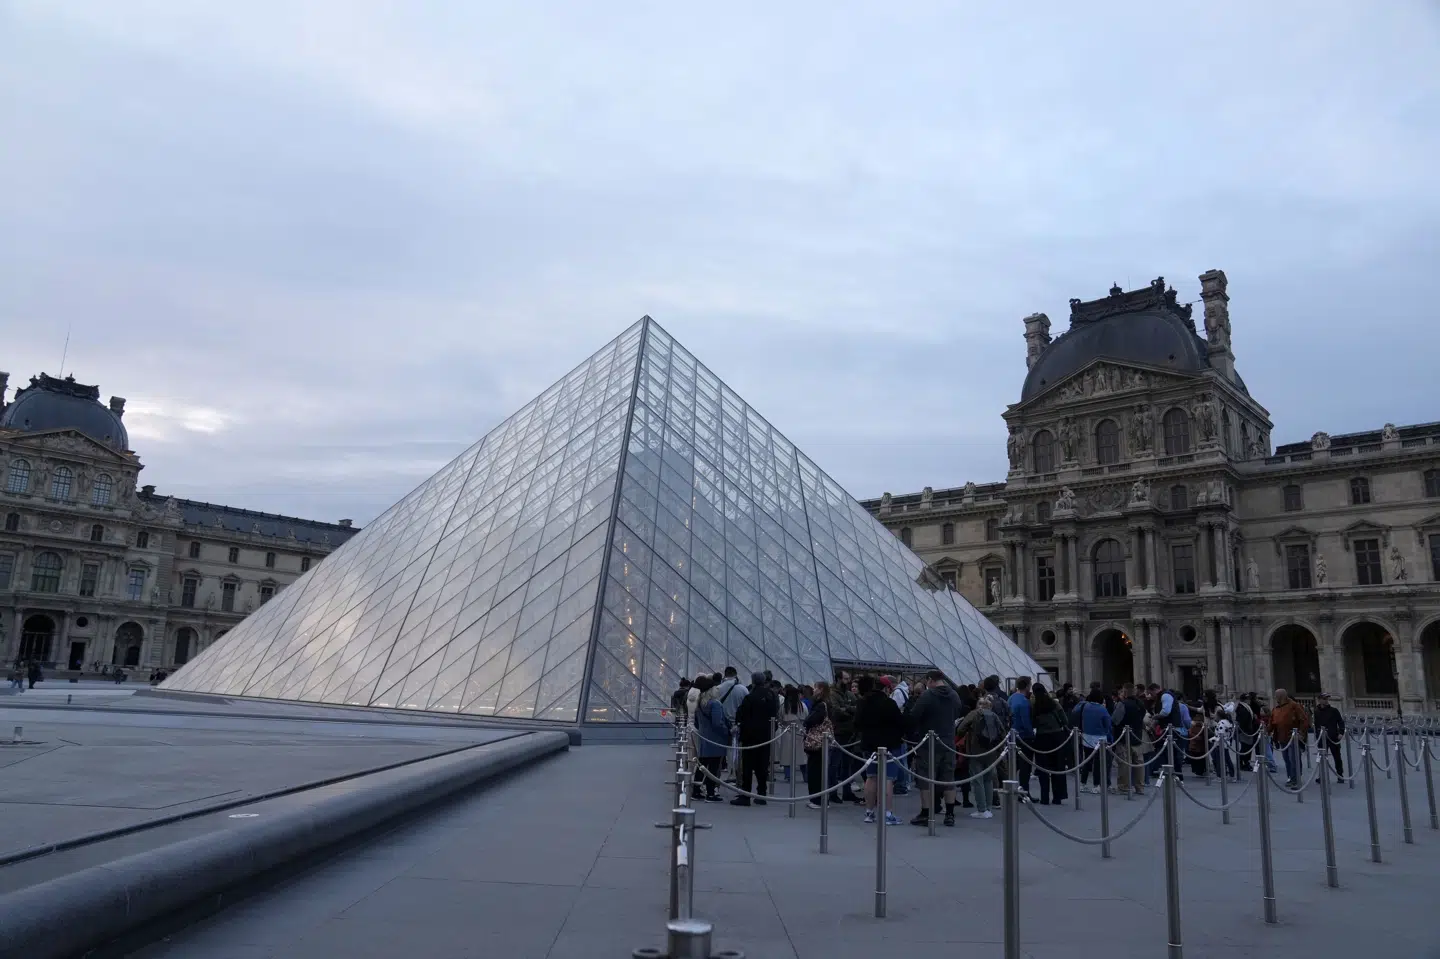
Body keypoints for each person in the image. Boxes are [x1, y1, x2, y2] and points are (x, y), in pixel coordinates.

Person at [904, 669, 962, 826]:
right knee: (948, 778)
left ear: (930, 680)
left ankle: (926, 813)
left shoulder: (928, 695)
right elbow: (957, 713)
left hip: (929, 742)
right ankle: (950, 814)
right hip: (948, 741)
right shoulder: (954, 695)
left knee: (925, 778)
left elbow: (914, 715)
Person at [853, 675, 904, 825]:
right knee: (888, 779)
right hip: (889, 745)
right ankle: (887, 814)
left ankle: (869, 812)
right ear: (886, 688)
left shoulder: (863, 702)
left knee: (871, 777)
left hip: (869, 744)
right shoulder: (889, 703)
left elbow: (856, 723)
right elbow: (900, 723)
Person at [732, 672, 779, 806]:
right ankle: (761, 794)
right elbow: (774, 716)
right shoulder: (771, 696)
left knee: (747, 766)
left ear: (753, 681)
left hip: (750, 736)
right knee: (762, 766)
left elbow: (741, 714)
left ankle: (746, 795)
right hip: (765, 735)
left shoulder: (750, 697)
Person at [956, 688, 1003, 818]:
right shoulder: (994, 716)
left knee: (977, 779)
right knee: (988, 779)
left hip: (975, 750)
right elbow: (1002, 732)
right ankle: (988, 807)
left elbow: (961, 728)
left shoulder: (974, 714)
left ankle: (981, 809)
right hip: (991, 751)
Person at [1030, 683, 1070, 805]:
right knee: (1057, 767)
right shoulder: (1054, 703)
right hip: (1057, 737)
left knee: (1043, 768)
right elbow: (1065, 720)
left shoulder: (1033, 706)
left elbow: (1032, 723)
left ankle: (1044, 798)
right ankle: (1058, 796)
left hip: (1041, 738)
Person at [692, 677, 728, 802]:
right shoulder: (715, 704)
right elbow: (717, 723)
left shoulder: (700, 703)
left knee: (702, 765)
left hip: (704, 738)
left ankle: (695, 791)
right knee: (714, 767)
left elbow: (697, 722)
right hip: (716, 740)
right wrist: (726, 732)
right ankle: (711, 793)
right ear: (711, 690)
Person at [830, 671, 862, 804]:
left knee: (847, 764)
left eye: (849, 679)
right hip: (838, 732)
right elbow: (836, 711)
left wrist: (847, 709)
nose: (848, 681)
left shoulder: (848, 694)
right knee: (834, 763)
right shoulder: (832, 694)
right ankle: (832, 792)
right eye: (845, 679)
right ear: (838, 679)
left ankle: (847, 791)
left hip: (849, 733)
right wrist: (850, 710)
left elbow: (858, 707)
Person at [1072, 690, 1113, 794]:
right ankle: (1096, 785)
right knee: (1098, 763)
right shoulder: (1102, 709)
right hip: (1099, 738)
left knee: (1087, 761)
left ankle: (1083, 783)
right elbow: (1108, 724)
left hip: (1086, 736)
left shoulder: (1085, 707)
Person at [1269, 688, 1311, 787]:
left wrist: (1300, 733)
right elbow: (1272, 723)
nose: (1276, 698)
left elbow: (1304, 720)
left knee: (1294, 758)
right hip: (1282, 737)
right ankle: (1291, 777)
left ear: (1282, 696)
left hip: (1293, 737)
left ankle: (1296, 778)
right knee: (1287, 759)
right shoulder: (1276, 709)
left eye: (1277, 696)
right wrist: (1267, 731)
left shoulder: (1294, 706)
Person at [802, 682, 833, 808]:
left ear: (821, 689)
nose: (813, 690)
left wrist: (807, 721)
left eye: (815, 688)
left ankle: (817, 800)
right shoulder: (826, 704)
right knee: (820, 770)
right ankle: (821, 799)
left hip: (817, 742)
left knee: (815, 770)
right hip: (822, 741)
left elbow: (811, 720)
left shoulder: (820, 705)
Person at [882, 677, 911, 795]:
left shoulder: (898, 692)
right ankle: (902, 783)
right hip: (901, 727)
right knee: (901, 756)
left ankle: (901, 784)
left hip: (897, 728)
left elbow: (894, 708)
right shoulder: (903, 691)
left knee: (900, 757)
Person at [1008, 677, 1035, 802]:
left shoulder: (1012, 698)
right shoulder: (1024, 702)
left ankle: (1012, 789)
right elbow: (1026, 722)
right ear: (1028, 686)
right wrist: (1032, 735)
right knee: (1025, 767)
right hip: (1024, 737)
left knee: (1015, 765)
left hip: (1012, 735)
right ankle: (1024, 791)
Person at [778, 685, 809, 783]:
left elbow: (780, 718)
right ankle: (806, 776)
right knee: (802, 755)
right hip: (800, 731)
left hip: (787, 731)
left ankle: (788, 776)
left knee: (787, 755)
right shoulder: (802, 705)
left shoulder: (784, 706)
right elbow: (807, 717)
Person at [1312, 693, 1346, 782]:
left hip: (1333, 736)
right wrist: (1317, 736)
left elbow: (1341, 722)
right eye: (1324, 699)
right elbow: (1316, 724)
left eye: (1327, 699)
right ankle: (1322, 775)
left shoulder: (1334, 710)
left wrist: (1341, 732)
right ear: (1319, 700)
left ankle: (1340, 775)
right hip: (1321, 737)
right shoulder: (1316, 711)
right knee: (1322, 758)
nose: (1326, 700)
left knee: (1337, 757)